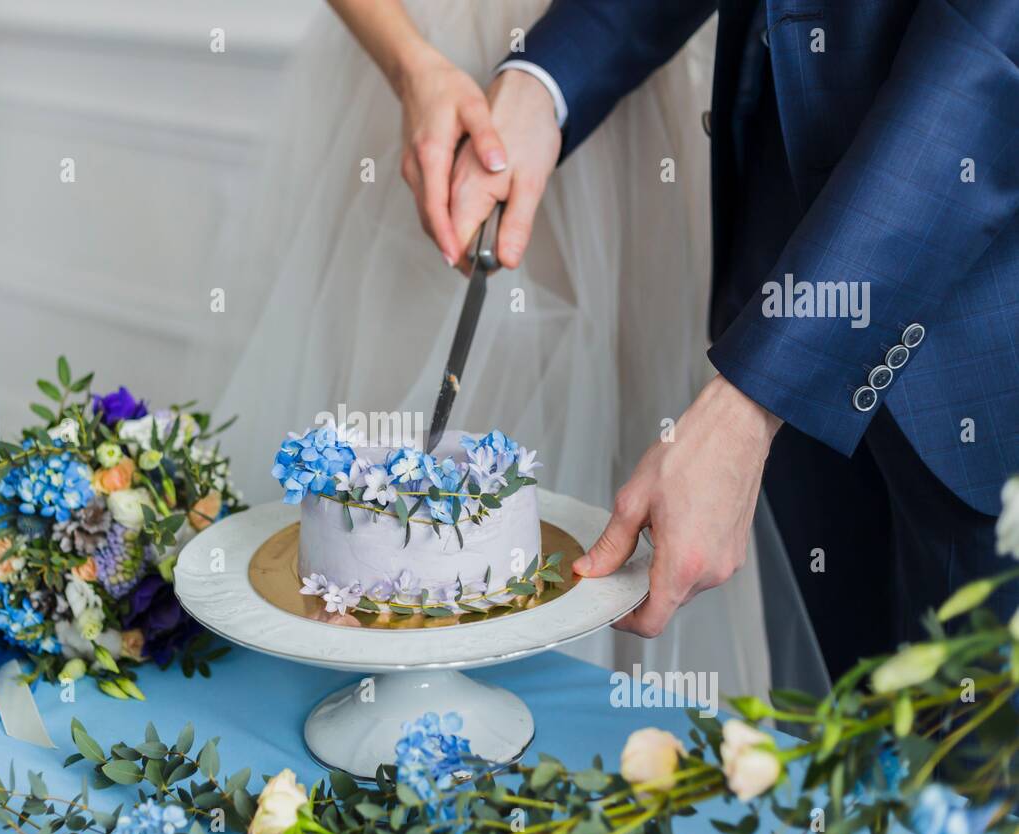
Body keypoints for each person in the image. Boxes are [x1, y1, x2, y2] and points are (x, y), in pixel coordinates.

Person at [405, 0, 1019, 673]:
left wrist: (750, 404)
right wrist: (543, 80)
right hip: (779, 260)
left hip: (982, 358)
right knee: (835, 732)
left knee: (975, 755)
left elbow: (983, 74)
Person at [208, 0, 787, 699]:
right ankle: (399, 731)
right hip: (431, 72)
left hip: (618, 78)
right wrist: (410, 63)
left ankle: (594, 761)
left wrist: (543, 82)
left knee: (636, 459)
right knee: (384, 481)